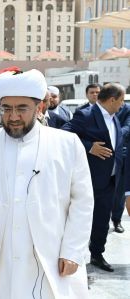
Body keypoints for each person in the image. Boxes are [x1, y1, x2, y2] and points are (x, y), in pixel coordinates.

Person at [0, 69, 93, 298]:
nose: (13, 117)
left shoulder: (68, 144)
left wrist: (72, 251)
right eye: (7, 108)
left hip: (52, 255)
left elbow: (82, 201)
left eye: (22, 109)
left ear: (39, 108)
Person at [63, 83, 125, 272]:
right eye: (121, 100)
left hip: (111, 179)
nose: (123, 105)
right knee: (81, 219)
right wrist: (89, 146)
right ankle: (72, 256)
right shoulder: (86, 115)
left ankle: (97, 254)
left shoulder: (114, 117)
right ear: (112, 99)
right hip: (89, 179)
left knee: (102, 220)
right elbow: (64, 134)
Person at [111, 102, 130, 233]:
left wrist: (110, 135)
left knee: (119, 193)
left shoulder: (127, 109)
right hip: (97, 155)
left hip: (120, 154)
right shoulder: (87, 109)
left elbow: (128, 128)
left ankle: (117, 220)